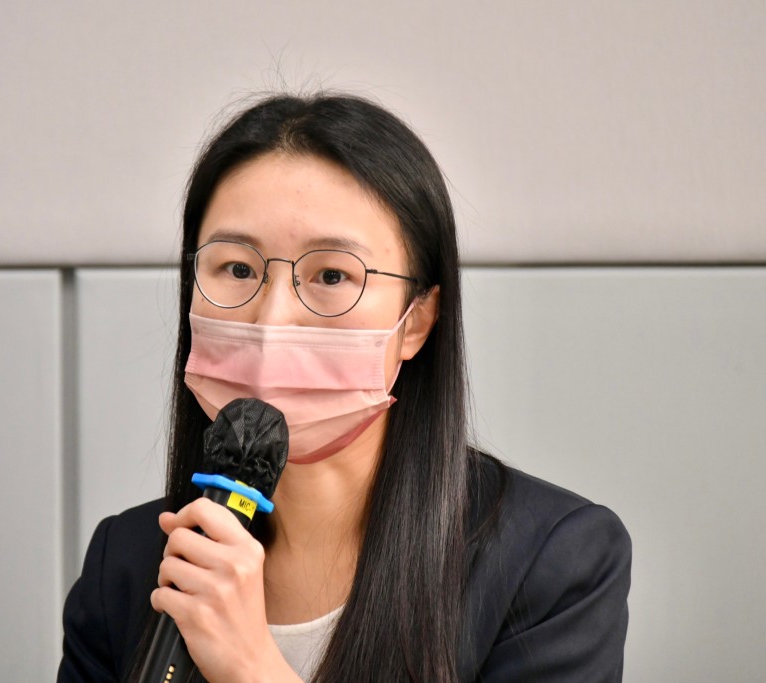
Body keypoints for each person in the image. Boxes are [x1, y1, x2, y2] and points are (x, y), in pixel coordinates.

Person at [57, 93, 631, 683]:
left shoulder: (548, 561)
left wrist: (251, 666)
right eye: (238, 269)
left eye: (332, 275)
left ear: (417, 320)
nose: (273, 320)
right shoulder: (126, 563)